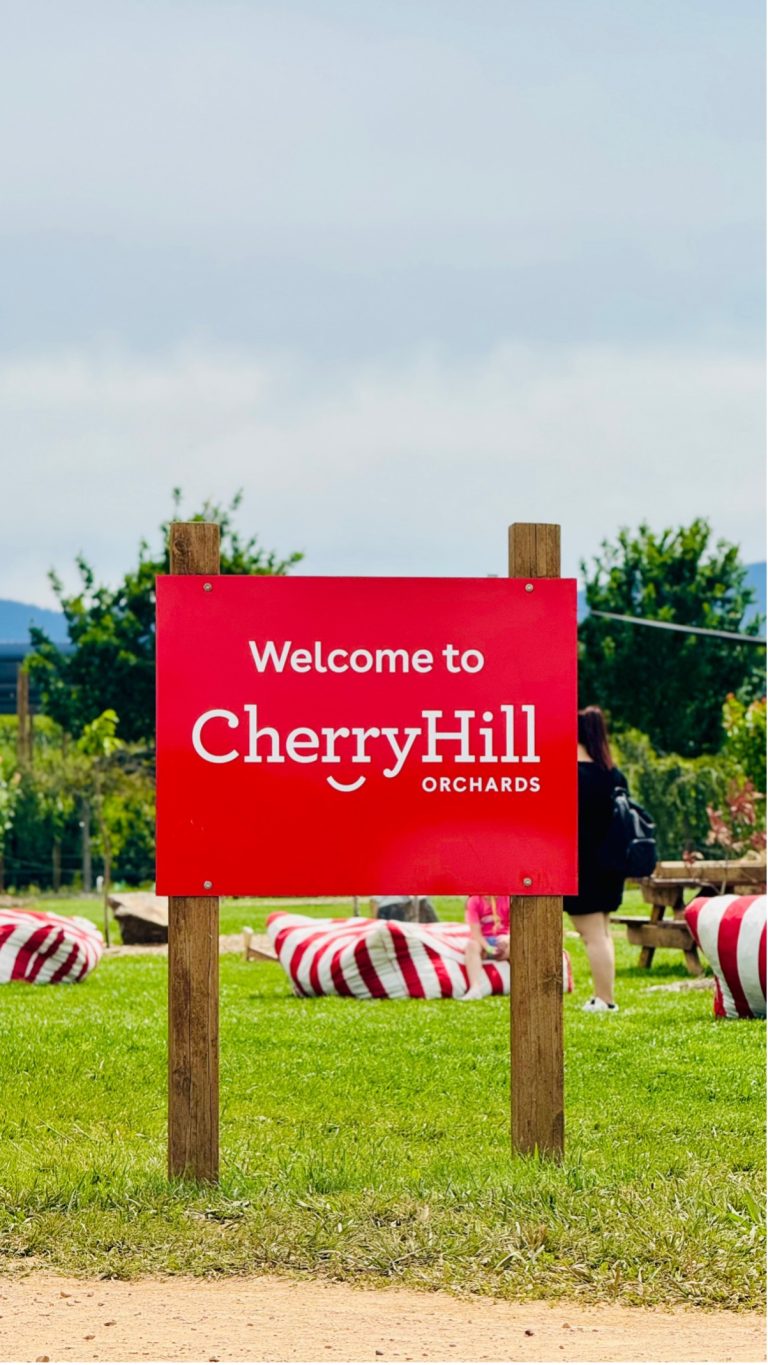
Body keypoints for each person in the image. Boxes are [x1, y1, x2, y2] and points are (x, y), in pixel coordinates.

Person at [565, 705, 627, 1013]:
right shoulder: (612, 773)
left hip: (583, 866)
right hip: (611, 864)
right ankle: (604, 996)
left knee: (592, 937)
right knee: (601, 933)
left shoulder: (571, 774)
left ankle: (605, 1000)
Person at [461, 894, 510, 1000]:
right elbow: (475, 932)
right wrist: (488, 948)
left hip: (504, 940)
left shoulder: (507, 899)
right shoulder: (474, 900)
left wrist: (507, 939)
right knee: (471, 945)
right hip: (484, 941)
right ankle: (475, 988)